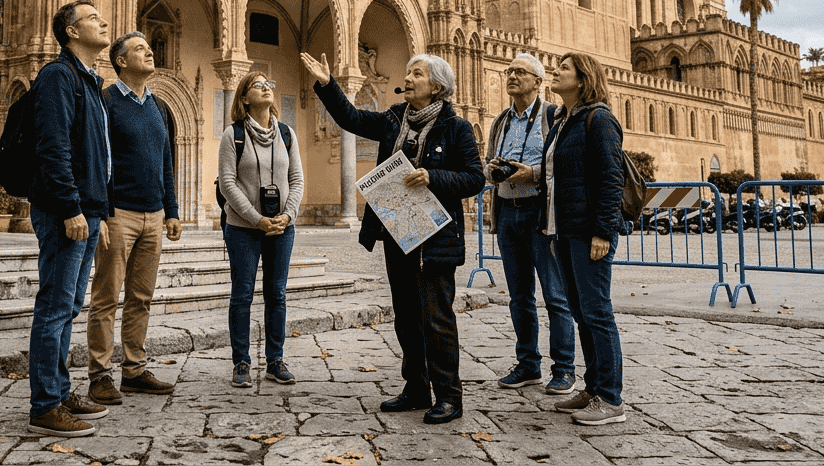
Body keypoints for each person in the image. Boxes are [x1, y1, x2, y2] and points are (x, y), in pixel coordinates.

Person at [302, 51, 484, 425]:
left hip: (435, 238)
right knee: (406, 317)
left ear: (437, 87)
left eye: (417, 74)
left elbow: (474, 178)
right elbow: (351, 119)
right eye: (408, 72)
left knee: (436, 319)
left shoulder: (456, 128)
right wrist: (327, 84)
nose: (408, 78)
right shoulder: (394, 120)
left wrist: (433, 177)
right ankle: (416, 389)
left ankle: (449, 396)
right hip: (398, 230)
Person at [27, 0, 113, 438]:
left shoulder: (89, 81)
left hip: (88, 212)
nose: (104, 21)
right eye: (93, 18)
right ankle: (45, 405)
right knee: (55, 306)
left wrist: (99, 212)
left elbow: (96, 156)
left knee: (69, 306)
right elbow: (53, 148)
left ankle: (59, 392)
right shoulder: (59, 76)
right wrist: (70, 208)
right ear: (72, 32)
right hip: (67, 212)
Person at [86, 32, 184, 406]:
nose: (149, 51)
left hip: (153, 216)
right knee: (106, 297)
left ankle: (134, 370)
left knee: (141, 298)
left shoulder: (158, 106)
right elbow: (98, 160)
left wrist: (171, 210)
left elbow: (165, 161)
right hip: (119, 215)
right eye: (140, 49)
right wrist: (102, 213)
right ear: (121, 60)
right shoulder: (107, 101)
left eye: (149, 47)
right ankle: (99, 376)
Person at [537, 52, 626, 426]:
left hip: (590, 233)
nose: (555, 72)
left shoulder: (599, 119)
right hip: (564, 231)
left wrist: (603, 232)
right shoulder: (563, 122)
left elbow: (611, 179)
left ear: (583, 78)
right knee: (581, 313)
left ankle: (611, 398)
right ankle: (593, 389)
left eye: (564, 68)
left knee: (597, 312)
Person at [484, 53, 575, 395]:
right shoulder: (500, 121)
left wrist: (533, 173)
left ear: (538, 81)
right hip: (508, 212)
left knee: (555, 295)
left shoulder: (553, 116)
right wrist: (493, 170)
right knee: (519, 296)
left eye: (520, 72)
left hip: (541, 213)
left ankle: (564, 369)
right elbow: (486, 163)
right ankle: (528, 364)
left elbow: (566, 163)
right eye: (509, 71)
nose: (512, 76)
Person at [218, 70, 304, 389]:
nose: (266, 88)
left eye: (269, 83)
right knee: (242, 294)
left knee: (276, 294)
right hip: (243, 228)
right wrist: (256, 218)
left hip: (281, 227)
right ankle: (241, 361)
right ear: (244, 98)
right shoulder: (233, 135)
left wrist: (288, 215)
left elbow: (297, 179)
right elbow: (227, 183)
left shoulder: (287, 134)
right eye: (258, 85)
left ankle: (275, 360)